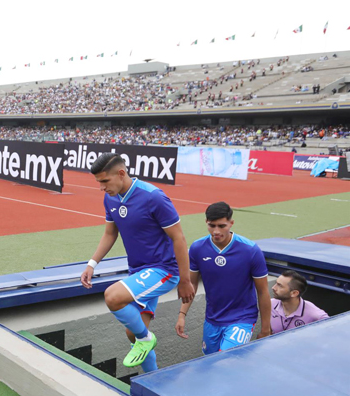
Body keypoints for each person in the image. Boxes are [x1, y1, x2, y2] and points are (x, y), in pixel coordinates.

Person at [80, 153, 194, 371]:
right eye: (98, 183)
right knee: (132, 332)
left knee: (113, 297)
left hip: (164, 270)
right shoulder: (110, 198)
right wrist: (92, 264)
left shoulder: (153, 197)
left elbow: (178, 237)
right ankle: (153, 379)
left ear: (121, 173)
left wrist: (185, 279)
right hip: (138, 271)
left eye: (105, 181)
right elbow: (110, 233)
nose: (102, 188)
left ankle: (145, 339)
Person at [176, 202, 271, 354]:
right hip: (212, 320)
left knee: (225, 360)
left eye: (222, 226)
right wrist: (182, 315)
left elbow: (263, 291)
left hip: (242, 319)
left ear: (231, 223)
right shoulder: (197, 248)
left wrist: (266, 329)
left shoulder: (250, 250)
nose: (216, 231)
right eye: (211, 225)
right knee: (210, 363)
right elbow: (190, 285)